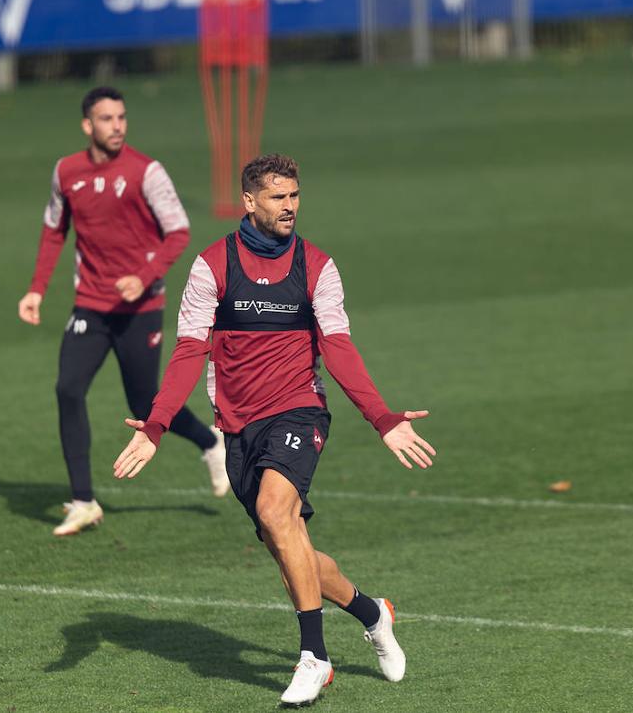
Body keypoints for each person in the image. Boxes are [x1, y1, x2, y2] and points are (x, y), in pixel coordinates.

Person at [112, 154, 436, 704]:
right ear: (250, 201)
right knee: (290, 549)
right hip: (238, 425)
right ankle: (372, 611)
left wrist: (381, 418)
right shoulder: (213, 265)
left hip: (298, 410)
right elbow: (190, 350)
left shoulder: (318, 267)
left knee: (274, 512)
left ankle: (315, 658)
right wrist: (157, 424)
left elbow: (337, 347)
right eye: (278, 197)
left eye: (294, 196)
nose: (290, 206)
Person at [18, 86, 229, 536]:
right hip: (90, 306)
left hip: (140, 307)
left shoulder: (146, 172)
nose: (117, 126)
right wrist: (36, 289)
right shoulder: (66, 172)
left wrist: (144, 274)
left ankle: (211, 442)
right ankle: (83, 501)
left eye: (122, 117)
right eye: (107, 118)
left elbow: (178, 231)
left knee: (144, 403)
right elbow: (54, 231)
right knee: (68, 389)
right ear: (87, 125)